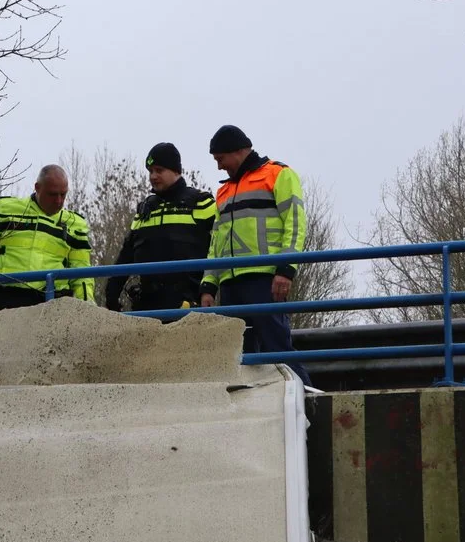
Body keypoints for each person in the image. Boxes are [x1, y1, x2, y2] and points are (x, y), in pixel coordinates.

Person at [199, 125, 312, 385]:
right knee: (239, 355)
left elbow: (295, 225)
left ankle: (307, 398)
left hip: (265, 278)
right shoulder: (224, 191)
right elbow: (216, 241)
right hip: (230, 284)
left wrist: (285, 269)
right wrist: (208, 285)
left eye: (220, 159)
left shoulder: (278, 174)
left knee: (277, 346)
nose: (219, 167)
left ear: (237, 152)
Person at [0, 164, 95, 321]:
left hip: (53, 303)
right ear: (37, 188)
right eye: (52, 194)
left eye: (63, 195)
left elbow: (82, 273)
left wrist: (87, 309)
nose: (59, 201)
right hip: (7, 298)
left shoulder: (75, 224)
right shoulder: (6, 210)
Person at [105, 142, 216, 312]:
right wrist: (112, 293)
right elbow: (126, 254)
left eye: (159, 170)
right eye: (150, 171)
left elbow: (218, 248)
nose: (153, 176)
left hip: (188, 306)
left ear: (176, 171)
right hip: (148, 306)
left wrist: (209, 289)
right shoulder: (144, 210)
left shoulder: (201, 202)